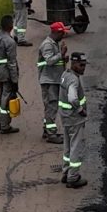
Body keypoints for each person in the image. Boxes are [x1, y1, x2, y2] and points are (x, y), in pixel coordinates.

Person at [59, 51, 88, 188]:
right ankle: (73, 177)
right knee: (76, 147)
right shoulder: (74, 80)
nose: (83, 68)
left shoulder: (66, 74)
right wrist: (80, 110)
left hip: (65, 118)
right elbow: (72, 98)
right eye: (81, 65)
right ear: (74, 63)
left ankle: (66, 172)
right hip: (74, 119)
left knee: (68, 147)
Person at [37, 22, 68, 144]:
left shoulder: (53, 43)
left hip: (53, 79)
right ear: (56, 32)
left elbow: (55, 61)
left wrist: (63, 58)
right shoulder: (47, 45)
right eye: (62, 33)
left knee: (50, 107)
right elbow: (49, 61)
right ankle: (51, 134)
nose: (64, 35)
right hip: (49, 81)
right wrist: (61, 54)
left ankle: (47, 130)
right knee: (51, 107)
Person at [0, 15, 20, 135]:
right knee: (6, 99)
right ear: (10, 26)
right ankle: (4, 125)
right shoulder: (10, 42)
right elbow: (12, 63)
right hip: (6, 74)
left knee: (1, 95)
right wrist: (15, 80)